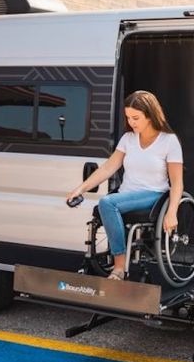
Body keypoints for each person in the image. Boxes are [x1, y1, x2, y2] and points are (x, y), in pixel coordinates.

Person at [66, 90, 183, 281]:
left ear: (150, 115)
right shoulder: (128, 139)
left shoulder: (168, 141)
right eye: (128, 118)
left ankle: (119, 266)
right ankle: (114, 261)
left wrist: (172, 212)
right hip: (127, 195)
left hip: (154, 195)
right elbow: (108, 168)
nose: (131, 122)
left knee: (107, 203)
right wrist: (81, 188)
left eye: (136, 118)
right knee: (109, 203)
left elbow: (177, 182)